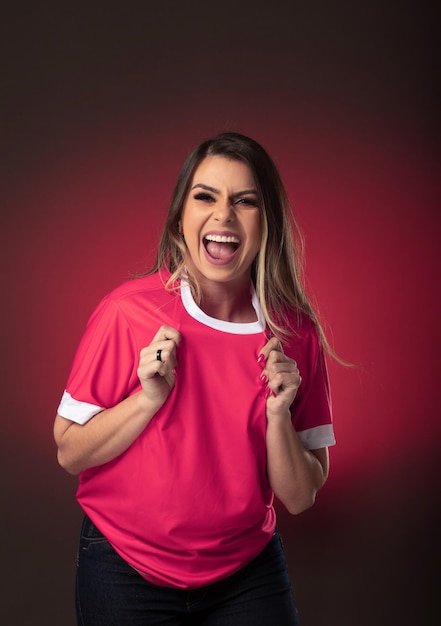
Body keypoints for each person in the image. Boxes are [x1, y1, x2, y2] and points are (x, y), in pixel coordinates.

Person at [54, 131, 336, 626]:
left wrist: (277, 416)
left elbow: (299, 495)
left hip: (246, 571)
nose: (223, 215)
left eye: (244, 201)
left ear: (266, 220)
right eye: (205, 196)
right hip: (124, 565)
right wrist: (147, 399)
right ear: (180, 218)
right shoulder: (126, 313)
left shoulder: (295, 334)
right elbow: (69, 451)